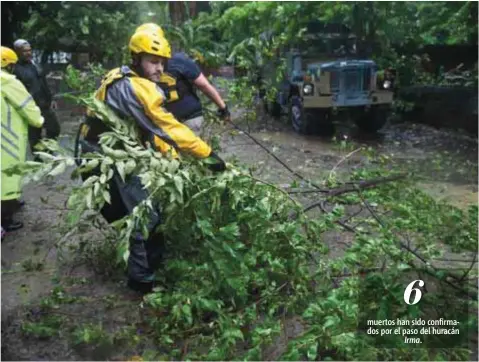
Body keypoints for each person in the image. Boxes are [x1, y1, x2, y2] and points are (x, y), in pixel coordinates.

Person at [77, 30, 226, 294]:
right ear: (136, 59)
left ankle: (146, 261)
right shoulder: (135, 88)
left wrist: (174, 158)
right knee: (144, 213)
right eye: (152, 61)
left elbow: (151, 132)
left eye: (162, 62)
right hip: (106, 157)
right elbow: (166, 127)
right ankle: (142, 280)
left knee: (137, 211)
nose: (159, 68)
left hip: (105, 150)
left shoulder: (124, 76)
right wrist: (207, 155)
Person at [135, 23, 231, 137]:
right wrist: (223, 108)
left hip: (170, 122)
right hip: (182, 119)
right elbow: (204, 85)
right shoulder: (180, 60)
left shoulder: (137, 70)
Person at [1, 46, 44, 236]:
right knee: (8, 176)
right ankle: (5, 221)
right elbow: (28, 107)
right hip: (7, 138)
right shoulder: (8, 82)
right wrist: (40, 121)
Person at [12, 39, 60, 155]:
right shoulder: (15, 69)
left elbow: (44, 82)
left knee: (54, 129)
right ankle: (38, 159)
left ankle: (47, 152)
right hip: (31, 107)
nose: (28, 53)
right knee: (35, 135)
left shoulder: (34, 64)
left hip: (45, 104)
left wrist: (52, 99)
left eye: (29, 50)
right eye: (25, 51)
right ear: (17, 52)